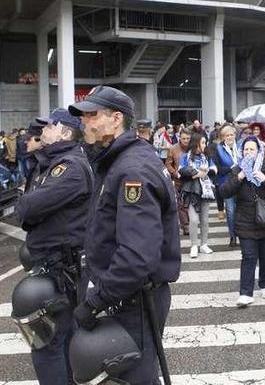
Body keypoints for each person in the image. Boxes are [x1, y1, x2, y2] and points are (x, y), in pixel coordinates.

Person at [68, 85, 181, 385]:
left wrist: (96, 301)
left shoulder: (133, 169)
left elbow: (137, 255)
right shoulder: (116, 162)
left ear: (116, 119)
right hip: (124, 296)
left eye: (92, 115)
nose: (84, 123)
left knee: (135, 378)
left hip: (133, 301)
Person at [15, 109, 93, 385]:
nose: (42, 130)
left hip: (62, 269)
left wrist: (25, 207)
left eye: (50, 125)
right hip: (51, 265)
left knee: (47, 343)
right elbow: (27, 210)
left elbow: (27, 207)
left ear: (65, 133)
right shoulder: (49, 163)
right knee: (61, 338)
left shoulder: (69, 167)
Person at [218, 136, 265, 307]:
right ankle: (245, 293)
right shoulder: (237, 169)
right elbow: (224, 191)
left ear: (259, 151)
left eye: (252, 149)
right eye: (246, 150)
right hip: (245, 219)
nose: (248, 153)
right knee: (248, 256)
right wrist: (240, 176)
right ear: (242, 152)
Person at [178, 132, 217, 258]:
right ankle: (194, 245)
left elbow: (214, 169)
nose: (205, 145)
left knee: (205, 220)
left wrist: (205, 171)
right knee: (194, 220)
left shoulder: (207, 157)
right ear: (196, 144)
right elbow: (181, 171)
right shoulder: (185, 157)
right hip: (191, 191)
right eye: (203, 143)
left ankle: (204, 244)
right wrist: (196, 174)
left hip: (205, 191)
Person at [214, 124, 240, 247]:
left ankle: (242, 233)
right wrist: (230, 168)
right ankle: (232, 236)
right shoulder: (218, 149)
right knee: (230, 210)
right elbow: (217, 168)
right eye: (227, 135)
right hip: (227, 183)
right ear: (223, 137)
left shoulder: (240, 146)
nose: (230, 137)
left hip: (241, 182)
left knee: (241, 209)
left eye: (231, 134)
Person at [165, 127, 192, 236]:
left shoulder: (193, 148)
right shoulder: (173, 148)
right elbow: (167, 164)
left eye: (188, 138)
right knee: (181, 204)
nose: (186, 140)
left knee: (190, 204)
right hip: (179, 180)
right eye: (184, 138)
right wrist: (175, 173)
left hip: (192, 180)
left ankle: (190, 222)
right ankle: (185, 225)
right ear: (179, 137)